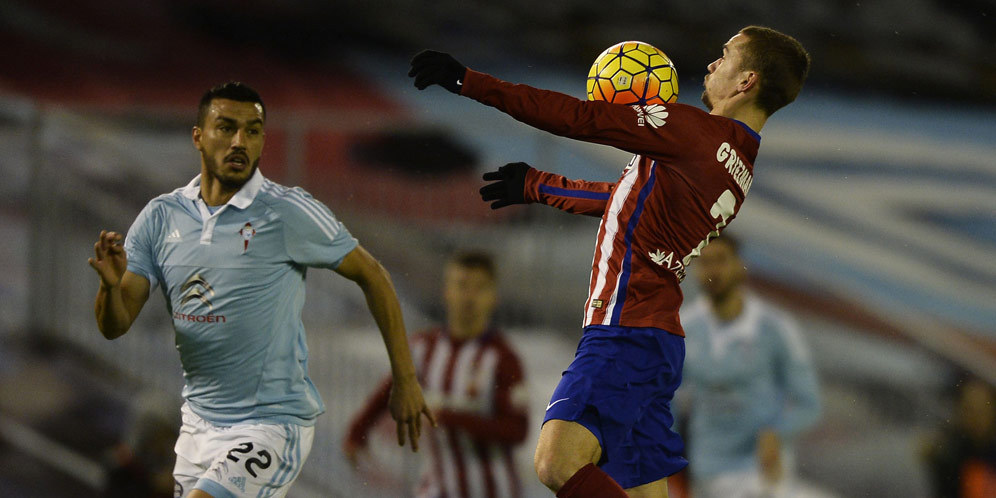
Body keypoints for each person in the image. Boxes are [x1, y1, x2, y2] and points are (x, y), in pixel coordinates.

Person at [408, 25, 810, 498]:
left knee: (556, 462)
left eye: (725, 57)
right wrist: (539, 186)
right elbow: (628, 200)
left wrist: (469, 82)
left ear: (747, 82)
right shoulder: (736, 162)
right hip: (656, 341)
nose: (711, 65)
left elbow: (578, 117)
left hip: (624, 330)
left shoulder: (693, 131)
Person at [87, 82, 435, 498]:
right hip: (198, 424)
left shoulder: (286, 210)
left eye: (252, 131)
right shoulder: (161, 217)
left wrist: (406, 379)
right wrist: (109, 288)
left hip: (270, 423)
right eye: (227, 128)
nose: (240, 142)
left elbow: (373, 274)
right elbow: (114, 325)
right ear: (198, 136)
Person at [344, 251, 530, 497]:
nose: (469, 297)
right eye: (462, 285)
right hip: (436, 488)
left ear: (493, 297)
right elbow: (391, 391)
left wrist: (449, 416)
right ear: (447, 291)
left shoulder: (504, 359)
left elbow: (517, 431)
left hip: (492, 490)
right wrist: (357, 433)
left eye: (480, 288)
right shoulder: (424, 347)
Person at [678, 235, 821, 498]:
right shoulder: (683, 328)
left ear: (739, 265)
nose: (713, 271)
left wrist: (776, 432)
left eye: (721, 260)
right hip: (706, 468)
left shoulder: (775, 328)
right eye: (704, 262)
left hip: (759, 471)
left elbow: (808, 402)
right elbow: (668, 401)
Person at [921, 375, 996, 498]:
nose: (977, 418)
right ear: (960, 411)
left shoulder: (990, 453)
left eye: (983, 410)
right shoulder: (949, 454)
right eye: (970, 410)